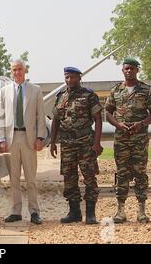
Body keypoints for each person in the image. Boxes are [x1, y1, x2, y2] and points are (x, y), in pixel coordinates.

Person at [105, 58, 151, 223]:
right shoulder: (115, 90)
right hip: (121, 140)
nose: (129, 71)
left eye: (132, 68)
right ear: (123, 70)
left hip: (139, 140)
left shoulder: (146, 90)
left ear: (137, 70)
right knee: (121, 174)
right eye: (126, 68)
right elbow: (107, 113)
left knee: (140, 174)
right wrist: (118, 124)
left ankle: (141, 211)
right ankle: (120, 211)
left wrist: (141, 124)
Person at [50, 67, 103, 224]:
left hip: (85, 143)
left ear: (79, 78)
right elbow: (56, 120)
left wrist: (97, 142)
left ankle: (91, 214)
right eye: (67, 77)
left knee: (89, 177)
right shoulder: (61, 97)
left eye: (72, 77)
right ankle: (74, 212)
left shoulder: (88, 95)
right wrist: (52, 142)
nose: (69, 80)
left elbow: (98, 119)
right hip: (67, 144)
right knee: (69, 178)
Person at [0, 59, 47, 224]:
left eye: (19, 69)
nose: (17, 72)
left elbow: (41, 115)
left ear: (25, 71)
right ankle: (16, 211)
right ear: (11, 72)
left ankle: (34, 212)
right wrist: (1, 138)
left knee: (31, 178)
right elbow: (0, 117)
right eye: (14, 70)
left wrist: (40, 138)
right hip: (11, 140)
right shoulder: (4, 91)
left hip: (29, 139)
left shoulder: (35, 90)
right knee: (14, 178)